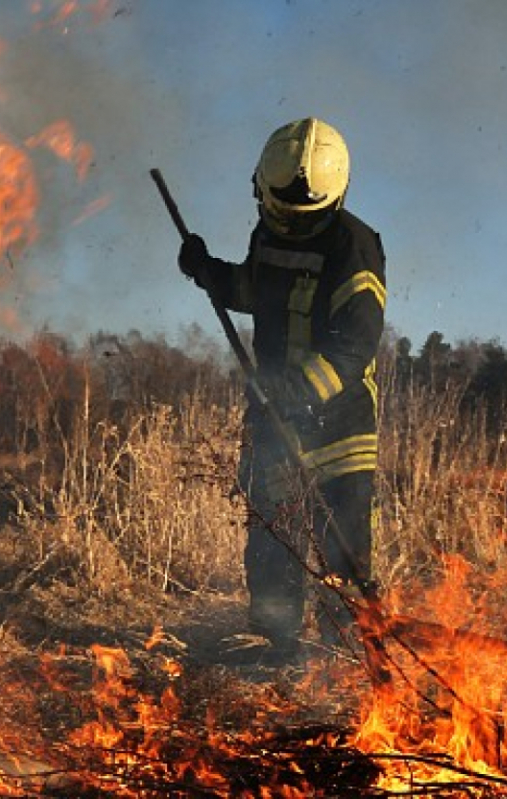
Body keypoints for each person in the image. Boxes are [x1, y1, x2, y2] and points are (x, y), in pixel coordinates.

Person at [177, 117, 386, 662]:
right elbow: (256, 291)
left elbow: (353, 347)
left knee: (341, 550)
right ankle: (277, 653)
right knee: (273, 539)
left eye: (301, 217)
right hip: (274, 419)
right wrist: (210, 273)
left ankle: (347, 663)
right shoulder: (267, 236)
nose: (287, 225)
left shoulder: (355, 248)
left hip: (338, 426)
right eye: (280, 213)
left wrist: (296, 394)